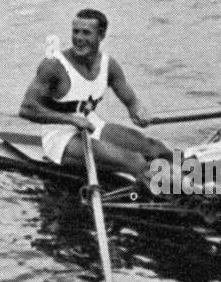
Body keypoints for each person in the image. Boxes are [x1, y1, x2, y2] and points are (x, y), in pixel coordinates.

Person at [19, 9, 171, 181]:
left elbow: (132, 102)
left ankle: (194, 180)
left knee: (157, 150)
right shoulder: (53, 66)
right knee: (136, 162)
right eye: (75, 32)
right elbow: (26, 109)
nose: (79, 38)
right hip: (60, 137)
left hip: (92, 126)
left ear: (101, 35)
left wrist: (138, 111)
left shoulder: (109, 65)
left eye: (86, 33)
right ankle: (178, 193)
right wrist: (73, 120)